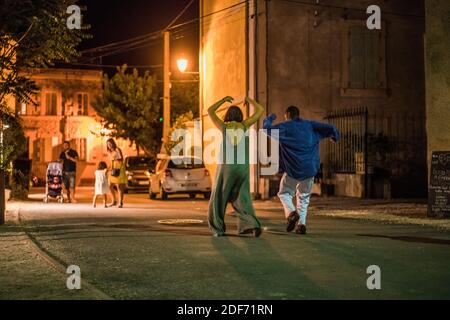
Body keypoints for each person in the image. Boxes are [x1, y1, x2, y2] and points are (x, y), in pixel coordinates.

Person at [263, 106, 340, 235]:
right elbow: (330, 128)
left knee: (284, 193)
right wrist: (335, 137)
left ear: (287, 115)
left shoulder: (285, 127)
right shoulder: (310, 125)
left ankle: (291, 213)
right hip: (309, 168)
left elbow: (266, 129)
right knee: (303, 197)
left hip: (293, 168)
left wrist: (271, 117)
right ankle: (301, 225)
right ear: (298, 114)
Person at [207, 96, 264, 237]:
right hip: (243, 168)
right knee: (243, 198)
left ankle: (218, 228)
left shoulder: (224, 127)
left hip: (227, 168)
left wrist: (222, 100)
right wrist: (248, 100)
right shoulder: (245, 125)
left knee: (218, 198)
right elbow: (260, 110)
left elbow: (210, 110)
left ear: (228, 116)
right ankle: (252, 225)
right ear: (240, 116)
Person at [106, 138, 127, 208]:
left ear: (113, 143)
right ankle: (113, 201)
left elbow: (121, 158)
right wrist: (107, 168)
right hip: (113, 169)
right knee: (109, 185)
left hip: (119, 168)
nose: (109, 145)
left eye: (110, 144)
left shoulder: (117, 149)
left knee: (119, 186)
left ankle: (120, 202)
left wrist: (114, 159)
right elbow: (110, 161)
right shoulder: (109, 152)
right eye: (108, 144)